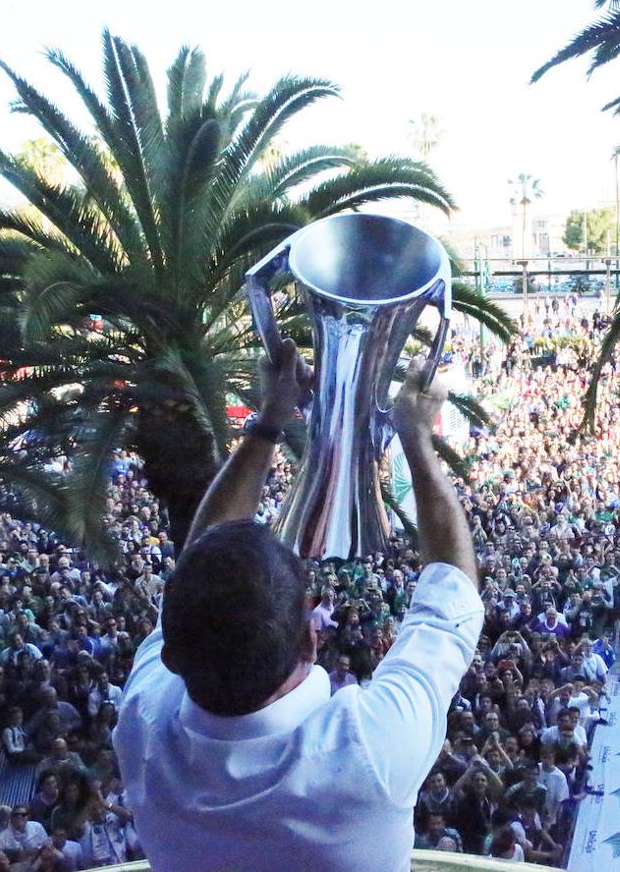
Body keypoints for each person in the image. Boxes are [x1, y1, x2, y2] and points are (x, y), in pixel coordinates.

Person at [113, 348, 482, 872]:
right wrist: (417, 437)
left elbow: (197, 567)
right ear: (312, 637)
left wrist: (267, 425)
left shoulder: (144, 725)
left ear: (171, 655)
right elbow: (451, 600)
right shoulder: (367, 752)